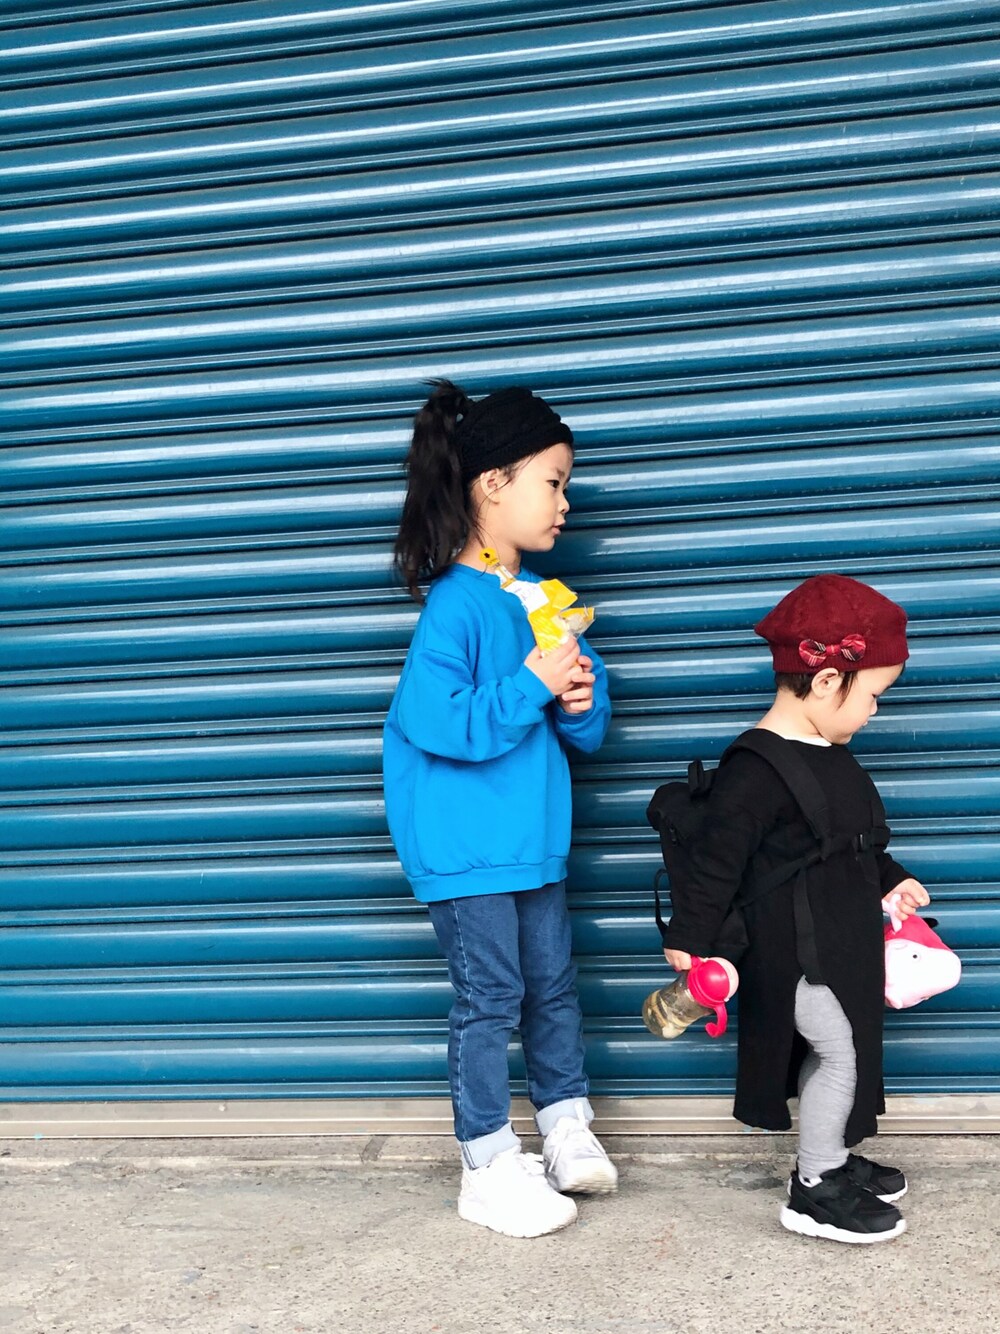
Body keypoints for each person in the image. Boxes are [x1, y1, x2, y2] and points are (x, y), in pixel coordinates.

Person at [383, 380, 616, 1238]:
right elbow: (437, 721)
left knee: (552, 986)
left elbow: (586, 730)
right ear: (492, 483)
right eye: (553, 482)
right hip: (468, 846)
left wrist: (580, 700)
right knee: (491, 996)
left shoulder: (546, 600)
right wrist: (530, 684)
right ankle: (485, 1161)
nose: (565, 502)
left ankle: (564, 1123)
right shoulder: (456, 604)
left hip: (531, 841)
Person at [661, 574, 931, 1245]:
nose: (874, 711)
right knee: (838, 1054)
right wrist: (690, 939)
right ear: (827, 681)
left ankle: (829, 1152)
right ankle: (815, 1187)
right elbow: (717, 863)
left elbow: (846, 843)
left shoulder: (830, 753)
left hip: (839, 939)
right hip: (795, 950)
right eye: (873, 695)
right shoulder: (755, 770)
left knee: (844, 1049)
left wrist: (890, 880)